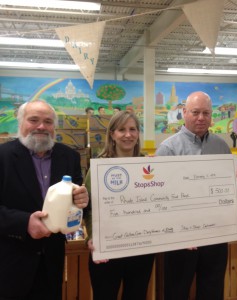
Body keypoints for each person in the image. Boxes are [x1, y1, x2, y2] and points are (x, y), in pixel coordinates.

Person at [155, 91, 237, 300]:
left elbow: (228, 189)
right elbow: (159, 197)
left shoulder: (222, 147)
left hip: (215, 236)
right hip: (180, 238)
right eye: (195, 112)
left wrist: (235, 179)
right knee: (176, 291)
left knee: (212, 289)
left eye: (206, 113)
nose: (201, 118)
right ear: (184, 112)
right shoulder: (168, 148)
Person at [0, 100, 89, 300]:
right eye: (34, 120)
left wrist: (83, 199)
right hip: (10, 263)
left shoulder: (69, 157)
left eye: (48, 121)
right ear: (20, 123)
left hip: (52, 260)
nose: (41, 126)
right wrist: (24, 222)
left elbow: (77, 199)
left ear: (54, 127)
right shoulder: (3, 157)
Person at [84, 110, 155, 300]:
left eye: (133, 129)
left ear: (138, 134)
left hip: (141, 249)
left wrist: (160, 174)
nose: (128, 134)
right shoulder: (98, 167)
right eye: (122, 129)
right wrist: (92, 236)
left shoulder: (148, 166)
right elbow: (88, 208)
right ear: (112, 135)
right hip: (107, 249)